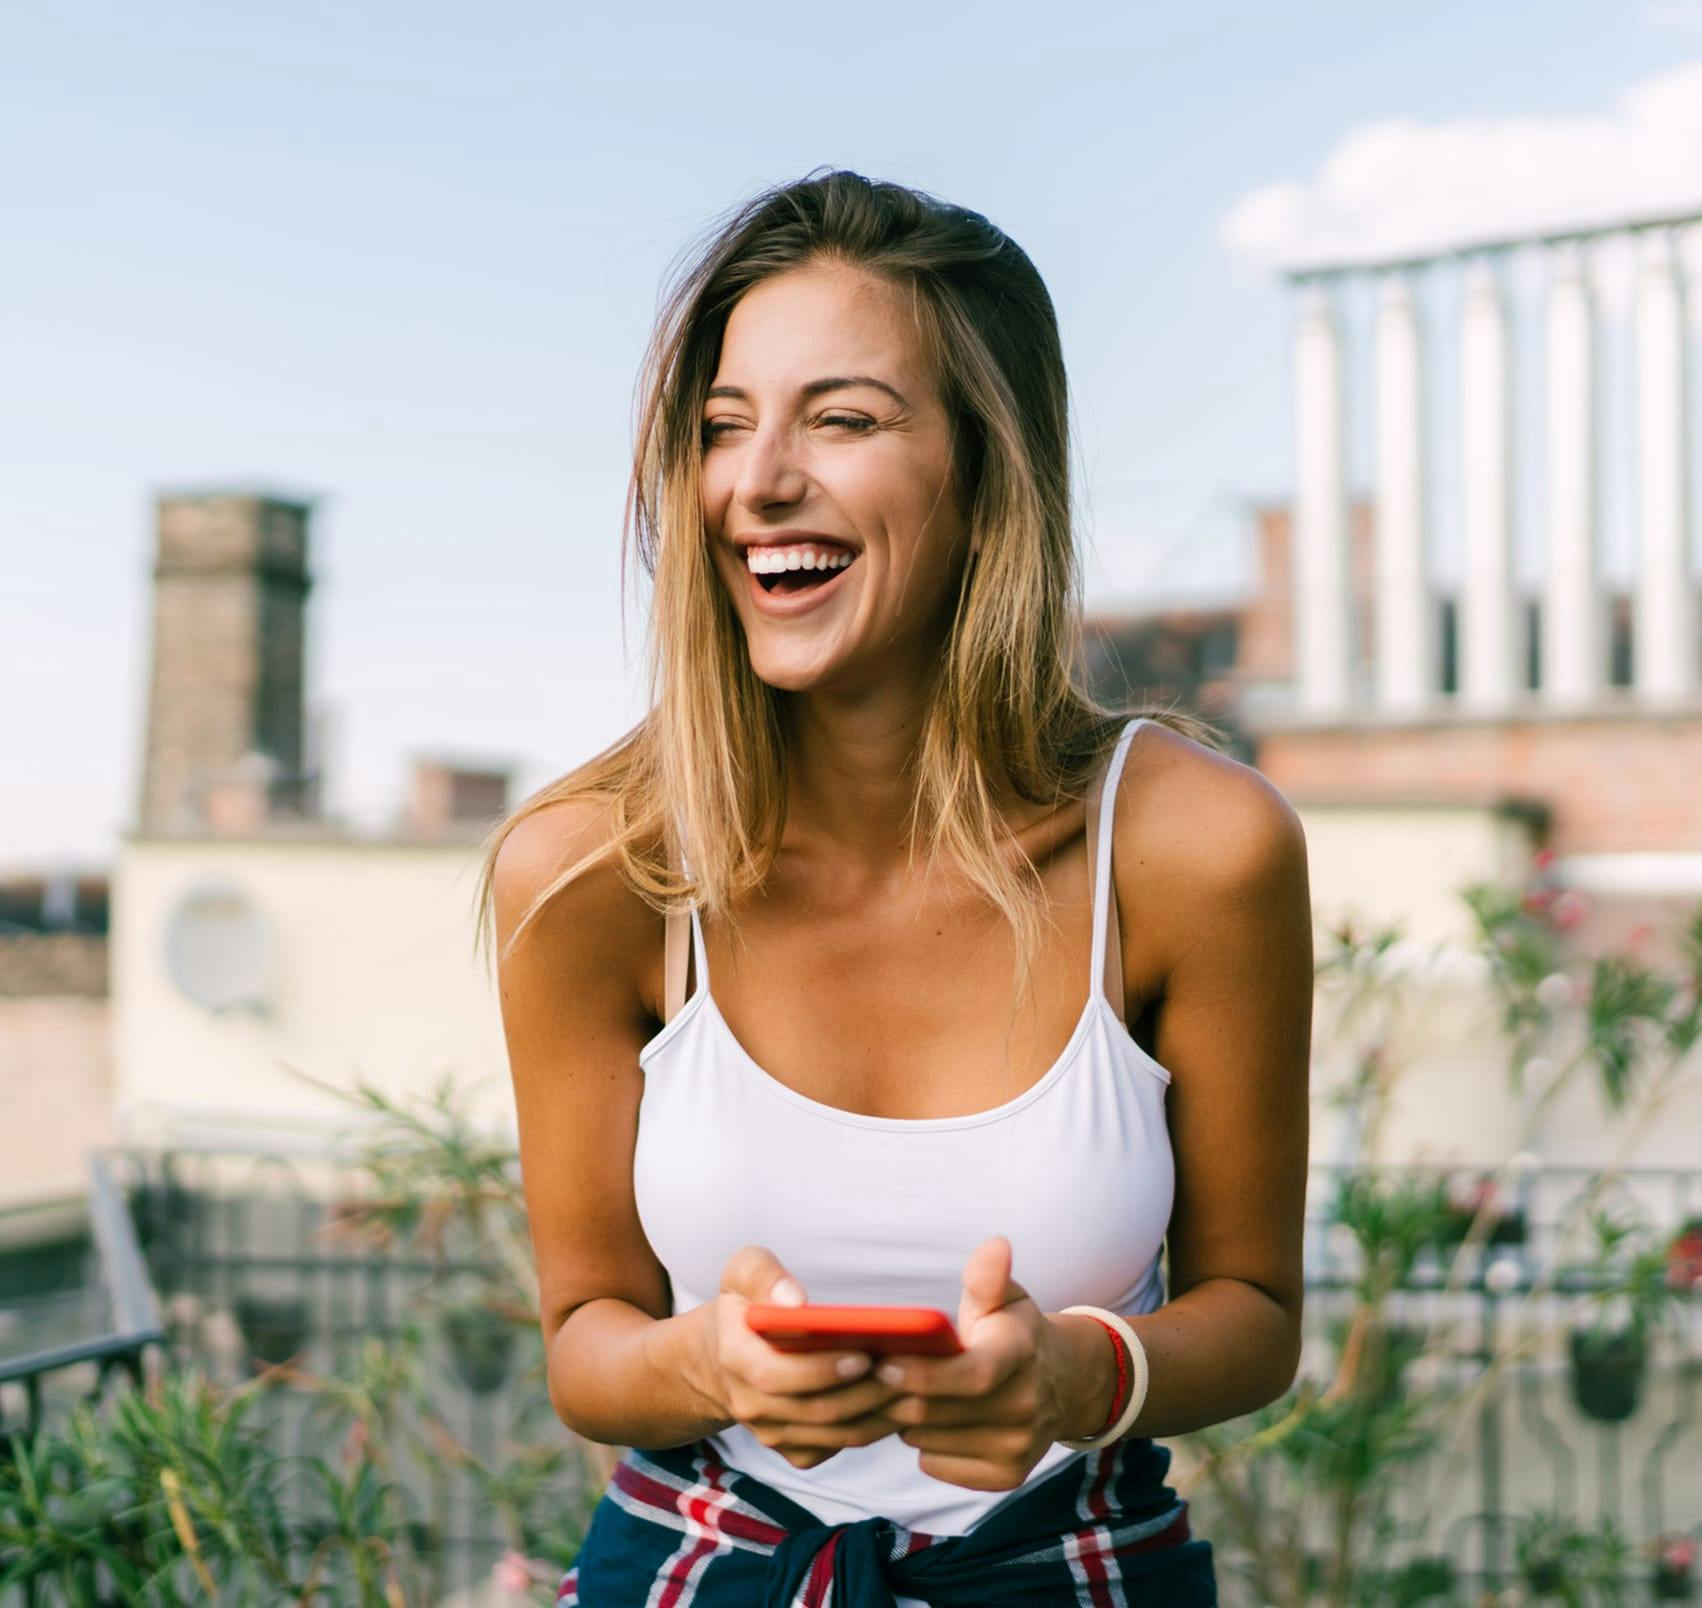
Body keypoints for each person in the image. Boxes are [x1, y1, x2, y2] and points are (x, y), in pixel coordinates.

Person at [477, 169, 1311, 1606]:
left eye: (844, 419)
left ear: (991, 473)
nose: (758, 481)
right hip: (690, 1569)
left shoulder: (1198, 850)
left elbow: (1255, 1314)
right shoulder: (589, 873)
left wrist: (1076, 1373)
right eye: (722, 427)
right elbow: (585, 1340)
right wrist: (701, 1360)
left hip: (1073, 1572)